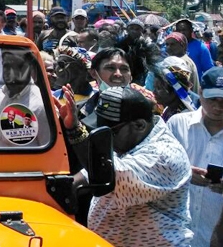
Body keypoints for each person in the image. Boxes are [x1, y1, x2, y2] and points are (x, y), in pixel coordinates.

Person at [60, 86, 193, 246]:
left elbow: (108, 176)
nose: (106, 138)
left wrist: (75, 131)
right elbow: (89, 174)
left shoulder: (164, 155)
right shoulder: (128, 142)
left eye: (110, 132)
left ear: (139, 125)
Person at [167, 67, 223, 247]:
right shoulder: (177, 124)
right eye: (212, 99)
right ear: (200, 93)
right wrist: (184, 173)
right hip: (177, 235)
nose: (218, 107)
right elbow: (157, 168)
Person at [0, 48, 50, 147]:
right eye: (7, 66)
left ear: (30, 68)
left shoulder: (41, 105)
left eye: (18, 67)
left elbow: (49, 151)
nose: (12, 73)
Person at [152, 56, 198, 122]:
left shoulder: (182, 118)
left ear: (175, 91)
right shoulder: (168, 110)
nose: (154, 92)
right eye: (155, 87)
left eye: (159, 88)